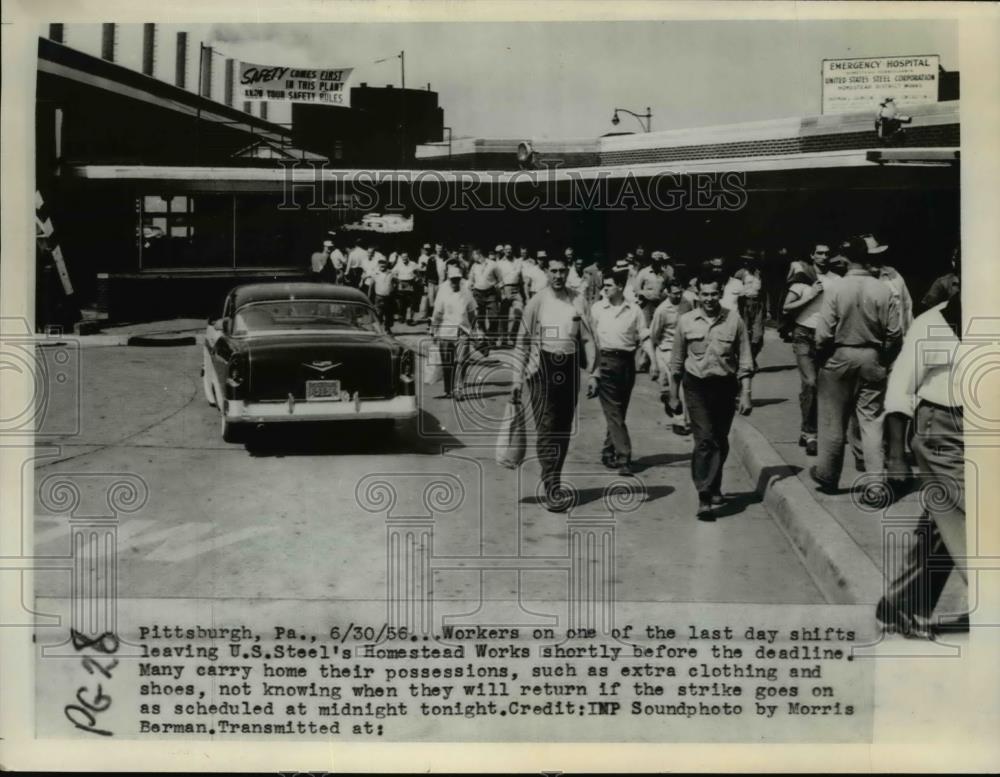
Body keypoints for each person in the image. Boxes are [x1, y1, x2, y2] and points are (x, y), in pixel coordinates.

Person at [877, 284, 967, 638]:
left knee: (942, 529)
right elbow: (899, 390)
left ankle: (901, 605)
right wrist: (896, 456)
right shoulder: (930, 325)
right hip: (939, 430)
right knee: (975, 518)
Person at [810, 236, 902, 500]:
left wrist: (823, 356)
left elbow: (823, 334)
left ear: (846, 259)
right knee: (872, 421)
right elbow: (895, 333)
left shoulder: (836, 288)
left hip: (840, 355)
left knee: (833, 419)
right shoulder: (883, 289)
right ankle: (875, 484)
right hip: (872, 357)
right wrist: (883, 357)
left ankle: (828, 474)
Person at [511, 254, 595, 513]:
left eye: (562, 271)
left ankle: (553, 477)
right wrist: (516, 378)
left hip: (568, 367)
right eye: (554, 271)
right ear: (546, 272)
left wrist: (594, 373)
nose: (558, 276)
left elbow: (588, 339)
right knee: (547, 427)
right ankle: (552, 486)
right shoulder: (537, 302)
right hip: (541, 367)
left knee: (563, 427)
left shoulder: (578, 299)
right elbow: (522, 341)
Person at [669, 272, 754, 520]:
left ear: (721, 293)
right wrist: (673, 395)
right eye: (704, 294)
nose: (709, 299)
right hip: (695, 386)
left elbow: (745, 359)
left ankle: (715, 482)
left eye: (713, 294)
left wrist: (746, 394)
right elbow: (676, 361)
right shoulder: (686, 321)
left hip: (725, 386)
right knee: (705, 439)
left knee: (720, 439)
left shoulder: (734, 320)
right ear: (697, 294)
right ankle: (704, 496)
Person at [589, 262, 656, 476]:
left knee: (619, 411)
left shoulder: (634, 310)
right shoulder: (597, 309)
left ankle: (608, 450)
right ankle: (624, 457)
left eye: (608, 285)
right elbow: (590, 339)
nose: (604, 289)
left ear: (619, 286)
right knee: (614, 411)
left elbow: (644, 336)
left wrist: (653, 362)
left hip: (627, 363)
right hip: (605, 362)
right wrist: (593, 370)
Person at [782, 243, 840, 456]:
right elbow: (786, 306)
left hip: (827, 337)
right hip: (804, 334)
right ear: (812, 255)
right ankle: (811, 433)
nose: (824, 257)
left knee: (824, 387)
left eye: (827, 253)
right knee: (810, 383)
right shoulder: (803, 277)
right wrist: (811, 295)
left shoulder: (837, 280)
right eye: (820, 253)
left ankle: (807, 429)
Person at [649, 278, 691, 435]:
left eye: (680, 292)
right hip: (667, 350)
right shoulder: (662, 310)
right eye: (675, 293)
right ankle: (679, 418)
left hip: (685, 350)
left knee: (682, 386)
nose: (678, 295)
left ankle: (681, 420)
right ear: (667, 292)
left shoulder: (687, 304)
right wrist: (651, 358)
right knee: (674, 384)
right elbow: (653, 335)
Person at [431, 265, 478, 400]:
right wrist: (433, 330)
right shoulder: (443, 293)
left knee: (461, 361)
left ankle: (459, 389)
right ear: (448, 279)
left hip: (462, 331)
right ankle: (448, 389)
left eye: (457, 279)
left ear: (460, 280)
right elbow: (437, 314)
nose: (455, 282)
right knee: (447, 363)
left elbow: (472, 313)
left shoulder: (467, 293)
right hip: (445, 331)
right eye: (452, 279)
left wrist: (474, 331)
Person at [733, 249, 766, 365]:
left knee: (758, 335)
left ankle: (751, 358)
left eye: (751, 260)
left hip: (758, 305)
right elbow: (733, 292)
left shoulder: (759, 273)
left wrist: (768, 309)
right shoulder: (740, 274)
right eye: (747, 261)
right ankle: (745, 360)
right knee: (744, 334)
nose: (748, 263)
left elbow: (765, 292)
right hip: (744, 305)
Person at [469, 247, 504, 346]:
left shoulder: (493, 264)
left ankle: (491, 337)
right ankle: (483, 338)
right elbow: (471, 279)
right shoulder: (474, 266)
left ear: (479, 254)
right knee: (480, 317)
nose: (472, 257)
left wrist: (500, 291)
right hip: (478, 294)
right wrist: (470, 286)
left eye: (474, 255)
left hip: (490, 293)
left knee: (494, 316)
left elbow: (500, 279)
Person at [496, 244, 524, 348]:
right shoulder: (499, 263)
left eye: (510, 249)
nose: (508, 251)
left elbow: (521, 279)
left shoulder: (518, 262)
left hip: (516, 289)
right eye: (506, 250)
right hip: (505, 288)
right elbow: (498, 279)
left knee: (519, 312)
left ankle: (511, 338)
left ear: (512, 251)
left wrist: (523, 294)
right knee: (503, 315)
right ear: (503, 251)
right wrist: (502, 292)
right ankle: (501, 338)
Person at [920, 245, 961, 312]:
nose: (954, 260)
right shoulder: (942, 282)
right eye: (954, 257)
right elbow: (927, 307)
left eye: (958, 256)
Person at [365, 256, 396, 332]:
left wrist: (394, 289)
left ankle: (387, 328)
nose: (382, 267)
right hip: (379, 297)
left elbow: (396, 282)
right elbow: (371, 286)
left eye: (384, 265)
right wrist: (368, 297)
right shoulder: (375, 273)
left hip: (389, 297)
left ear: (386, 265)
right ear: (378, 265)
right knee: (378, 314)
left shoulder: (391, 273)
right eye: (380, 265)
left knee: (389, 313)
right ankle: (378, 330)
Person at [392, 251, 420, 326]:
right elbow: (393, 273)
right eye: (403, 257)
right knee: (401, 302)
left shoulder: (413, 264)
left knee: (411, 303)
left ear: (408, 257)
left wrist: (416, 277)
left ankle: (409, 319)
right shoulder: (399, 264)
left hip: (411, 284)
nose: (404, 258)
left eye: (406, 257)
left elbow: (419, 271)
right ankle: (402, 317)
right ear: (401, 258)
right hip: (401, 283)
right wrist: (397, 280)